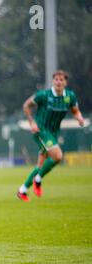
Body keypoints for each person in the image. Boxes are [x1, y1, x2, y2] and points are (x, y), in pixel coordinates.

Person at [17, 70, 85, 202]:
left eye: (61, 80)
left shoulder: (70, 96)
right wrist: (32, 122)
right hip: (41, 131)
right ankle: (38, 179)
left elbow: (75, 111)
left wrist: (80, 118)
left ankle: (22, 190)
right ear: (53, 81)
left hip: (53, 132)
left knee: (40, 166)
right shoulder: (44, 95)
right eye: (56, 79)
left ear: (65, 83)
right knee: (58, 156)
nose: (58, 82)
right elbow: (26, 105)